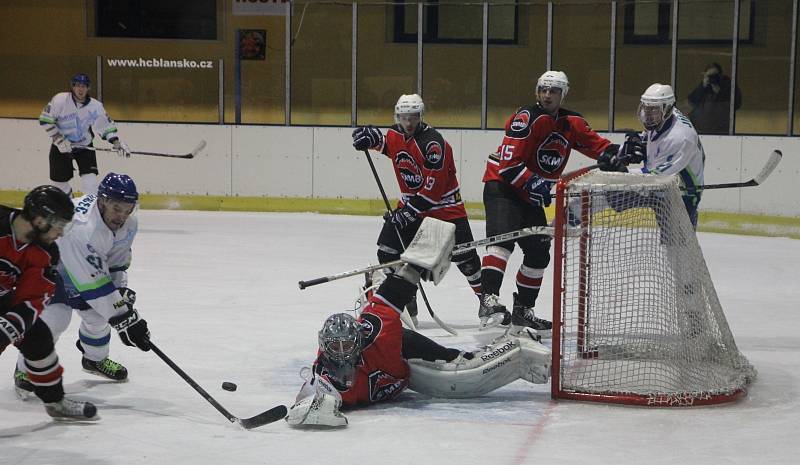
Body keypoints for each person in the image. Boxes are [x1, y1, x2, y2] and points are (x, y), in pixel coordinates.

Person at [285, 218, 551, 428]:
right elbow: (305, 409)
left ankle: (517, 342)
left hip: (400, 349)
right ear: (324, 346)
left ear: (359, 341)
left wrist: (419, 261)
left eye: (347, 345)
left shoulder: (377, 332)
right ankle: (373, 283)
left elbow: (394, 293)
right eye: (337, 346)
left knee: (459, 367)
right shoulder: (324, 381)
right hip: (396, 372)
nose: (342, 352)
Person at [479, 70, 620, 334]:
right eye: (543, 90)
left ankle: (523, 312)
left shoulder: (571, 122)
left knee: (538, 252)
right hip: (503, 187)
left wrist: (621, 154)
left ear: (563, 94)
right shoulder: (527, 119)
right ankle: (488, 301)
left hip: (530, 193)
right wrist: (537, 184)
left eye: (553, 91)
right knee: (502, 243)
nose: (547, 95)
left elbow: (599, 146)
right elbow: (509, 168)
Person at [14, 173, 150, 399]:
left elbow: (116, 263)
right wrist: (124, 317)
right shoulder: (81, 228)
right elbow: (92, 285)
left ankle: (94, 360)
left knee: (98, 318)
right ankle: (26, 369)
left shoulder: (129, 223)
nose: (122, 216)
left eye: (128, 209)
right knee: (56, 318)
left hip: (83, 269)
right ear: (103, 200)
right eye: (117, 208)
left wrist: (120, 291)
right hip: (48, 268)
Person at [351, 94, 483, 324]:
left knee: (466, 257)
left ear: (421, 116)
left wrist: (408, 213)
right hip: (411, 206)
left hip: (445, 208)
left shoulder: (433, 142)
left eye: (413, 117)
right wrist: (371, 140)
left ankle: (487, 301)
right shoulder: (395, 134)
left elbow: (433, 189)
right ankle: (406, 299)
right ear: (397, 117)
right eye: (403, 117)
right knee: (387, 253)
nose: (408, 123)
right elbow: (389, 146)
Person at [1, 185, 98, 420]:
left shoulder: (47, 253)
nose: (61, 233)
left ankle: (55, 402)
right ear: (39, 219)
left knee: (39, 340)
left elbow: (32, 299)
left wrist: (6, 330)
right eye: (59, 225)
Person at [598, 83, 705, 229]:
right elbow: (652, 139)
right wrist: (633, 144)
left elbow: (656, 177)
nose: (648, 114)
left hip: (680, 196)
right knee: (602, 194)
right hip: (658, 187)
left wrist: (623, 172)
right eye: (646, 108)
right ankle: (568, 222)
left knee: (676, 248)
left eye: (653, 109)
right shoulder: (664, 117)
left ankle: (688, 223)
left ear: (667, 109)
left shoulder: (680, 138)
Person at [39, 73, 131, 197]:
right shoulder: (60, 100)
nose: (80, 89)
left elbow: (105, 126)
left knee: (90, 183)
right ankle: (70, 205)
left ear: (88, 88)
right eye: (77, 86)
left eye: (84, 86)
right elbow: (45, 120)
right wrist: (58, 139)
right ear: (72, 87)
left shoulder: (95, 106)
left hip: (84, 146)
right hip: (60, 147)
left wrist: (117, 143)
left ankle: (89, 212)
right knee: (59, 185)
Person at [687, 63, 742, 135]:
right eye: (710, 76)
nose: (713, 78)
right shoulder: (704, 86)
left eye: (715, 75)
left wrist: (719, 92)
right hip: (702, 130)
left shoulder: (728, 86)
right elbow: (692, 101)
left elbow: (736, 104)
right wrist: (702, 86)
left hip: (722, 130)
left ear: (720, 75)